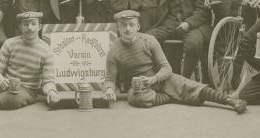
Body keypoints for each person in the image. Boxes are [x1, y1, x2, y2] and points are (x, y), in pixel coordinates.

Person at [102, 10, 246, 114]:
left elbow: (166, 68)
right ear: (118, 28)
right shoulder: (114, 50)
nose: (128, 29)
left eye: (131, 24)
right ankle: (173, 97)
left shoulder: (149, 40)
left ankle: (230, 101)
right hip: (140, 87)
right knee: (136, 99)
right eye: (123, 25)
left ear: (137, 27)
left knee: (190, 86)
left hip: (160, 78)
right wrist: (108, 89)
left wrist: (153, 79)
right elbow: (110, 78)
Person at [147, 0, 211, 81]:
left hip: (194, 24)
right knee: (148, 39)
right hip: (170, 23)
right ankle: (162, 76)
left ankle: (185, 79)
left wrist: (188, 23)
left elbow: (202, 11)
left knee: (194, 43)